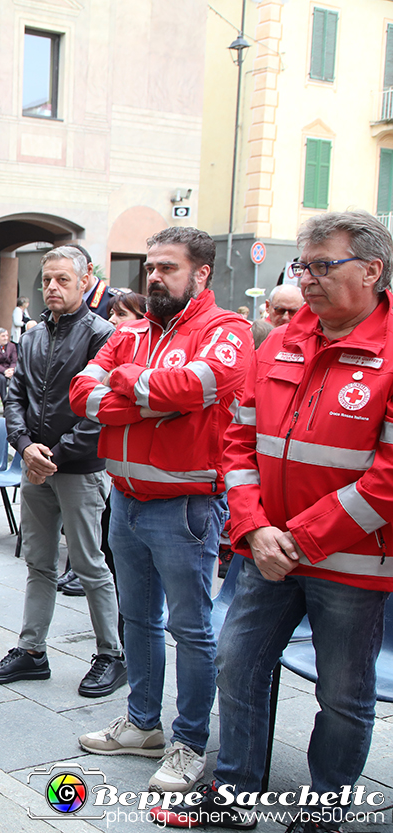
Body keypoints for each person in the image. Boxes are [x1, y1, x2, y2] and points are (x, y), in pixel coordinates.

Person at [155, 211, 393, 832]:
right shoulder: (283, 341)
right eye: (302, 266)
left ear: (371, 270)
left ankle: (327, 806)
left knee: (342, 695)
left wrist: (300, 538)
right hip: (267, 551)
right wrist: (255, 529)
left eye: (322, 266)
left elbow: (388, 479)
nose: (307, 281)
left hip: (350, 564)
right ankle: (234, 794)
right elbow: (239, 441)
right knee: (238, 663)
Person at [69, 227, 252, 793]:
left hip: (187, 506)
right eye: (150, 266)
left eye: (167, 267)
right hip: (125, 499)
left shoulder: (228, 330)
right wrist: (151, 400)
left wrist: (130, 388)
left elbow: (202, 383)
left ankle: (189, 742)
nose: (153, 277)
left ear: (200, 274)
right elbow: (81, 394)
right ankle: (143, 724)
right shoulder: (129, 333)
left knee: (191, 628)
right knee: (139, 620)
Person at [0, 247, 124, 698]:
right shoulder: (34, 335)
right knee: (38, 563)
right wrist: (24, 446)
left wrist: (52, 454)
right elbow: (14, 394)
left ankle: (110, 654)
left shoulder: (103, 335)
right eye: (46, 281)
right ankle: (32, 650)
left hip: (78, 468)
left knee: (89, 564)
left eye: (62, 279)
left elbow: (101, 411)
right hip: (36, 465)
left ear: (85, 281)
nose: (53, 288)